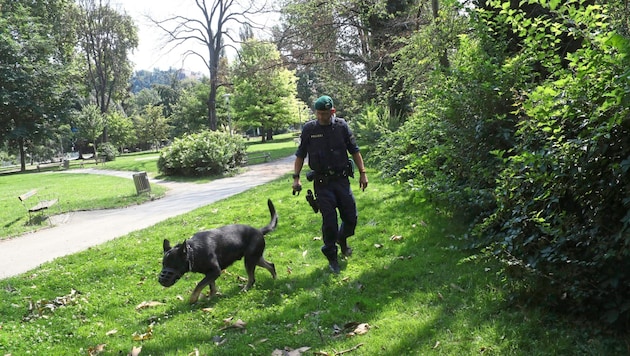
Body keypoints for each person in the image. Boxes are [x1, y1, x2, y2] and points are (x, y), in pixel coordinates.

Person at [292, 95, 368, 274]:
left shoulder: (341, 127)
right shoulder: (309, 129)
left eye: (324, 114)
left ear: (332, 112)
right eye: (318, 113)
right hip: (322, 183)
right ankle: (332, 256)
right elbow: (300, 155)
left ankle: (342, 239)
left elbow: (355, 151)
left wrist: (363, 174)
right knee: (329, 221)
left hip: (341, 180)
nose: (321, 117)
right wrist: (296, 178)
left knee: (351, 218)